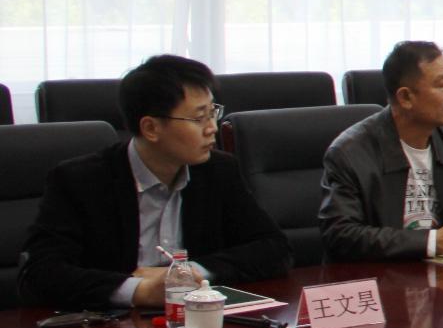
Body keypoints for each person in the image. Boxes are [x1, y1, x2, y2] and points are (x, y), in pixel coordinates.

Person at [19, 54, 289, 310]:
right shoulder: (80, 181)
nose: (212, 128)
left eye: (212, 113)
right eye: (198, 118)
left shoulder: (218, 170)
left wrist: (187, 273)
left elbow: (274, 249)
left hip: (195, 321)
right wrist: (141, 291)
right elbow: (40, 273)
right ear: (150, 128)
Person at [319, 41, 443, 261]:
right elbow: (341, 235)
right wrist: (432, 242)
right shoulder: (350, 152)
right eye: (441, 85)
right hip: (383, 274)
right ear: (405, 97)